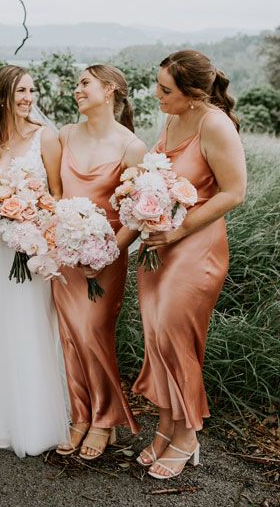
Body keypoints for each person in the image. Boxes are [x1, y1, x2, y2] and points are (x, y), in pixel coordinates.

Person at [133, 50, 246, 480]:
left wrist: (178, 230)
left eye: (166, 90)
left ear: (194, 94)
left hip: (196, 246)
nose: (158, 95)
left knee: (176, 335)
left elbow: (233, 192)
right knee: (156, 333)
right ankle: (166, 425)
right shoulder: (172, 117)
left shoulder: (213, 123)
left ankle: (188, 434)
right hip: (158, 246)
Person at [0, 64, 70, 458]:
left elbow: (56, 195)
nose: (28, 98)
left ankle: (30, 414)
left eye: (31, 91)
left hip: (30, 247)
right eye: (20, 91)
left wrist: (32, 217)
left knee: (28, 325)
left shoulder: (47, 138)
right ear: (1, 96)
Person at [52, 64, 146, 460]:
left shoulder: (131, 147)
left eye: (85, 83)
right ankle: (79, 414)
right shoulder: (64, 135)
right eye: (76, 84)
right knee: (70, 335)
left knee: (93, 332)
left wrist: (107, 253)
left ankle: (105, 419)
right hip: (64, 255)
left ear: (109, 90)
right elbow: (54, 195)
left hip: (106, 254)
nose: (77, 89)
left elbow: (138, 214)